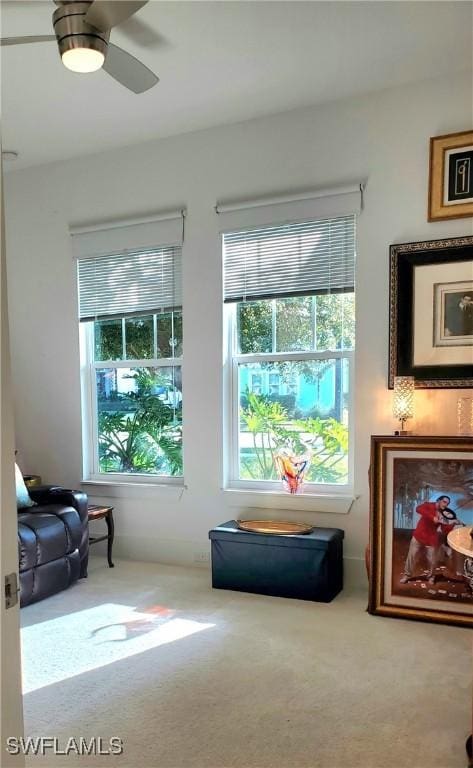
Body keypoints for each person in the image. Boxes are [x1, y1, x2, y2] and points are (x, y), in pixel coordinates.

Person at [400, 495, 463, 584]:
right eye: (444, 502)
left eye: (447, 503)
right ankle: (406, 575)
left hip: (431, 539)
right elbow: (418, 509)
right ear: (439, 500)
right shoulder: (429, 505)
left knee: (432, 560)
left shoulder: (444, 513)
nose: (446, 505)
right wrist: (432, 517)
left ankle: (431, 576)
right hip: (419, 536)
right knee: (412, 556)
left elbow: (445, 529)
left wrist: (453, 523)